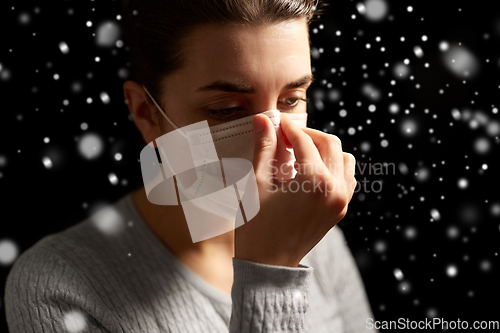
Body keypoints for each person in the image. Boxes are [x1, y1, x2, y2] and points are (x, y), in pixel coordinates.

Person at [4, 0, 377, 332]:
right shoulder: (57, 287)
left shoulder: (313, 232)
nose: (273, 137)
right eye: (226, 111)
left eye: (292, 99)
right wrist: (269, 276)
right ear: (145, 112)